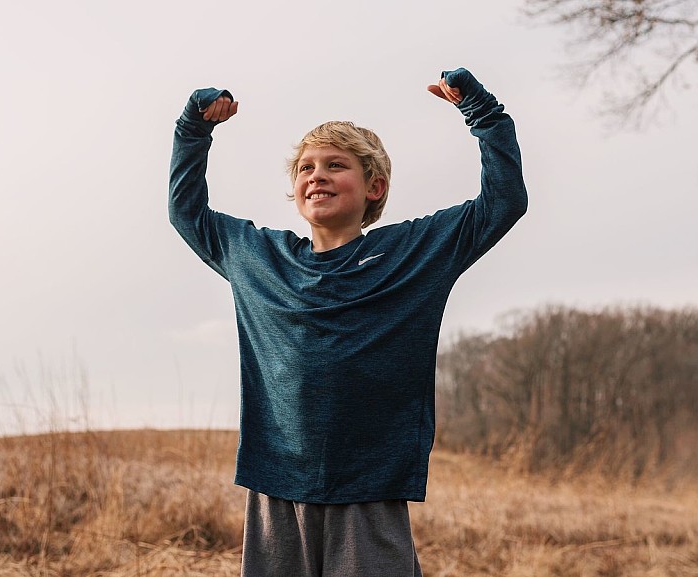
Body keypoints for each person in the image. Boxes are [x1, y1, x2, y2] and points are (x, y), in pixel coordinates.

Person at [168, 67, 527, 577]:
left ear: (374, 186)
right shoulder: (257, 257)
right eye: (306, 167)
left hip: (369, 489)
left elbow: (504, 202)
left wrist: (483, 112)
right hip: (276, 486)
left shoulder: (413, 253)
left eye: (335, 165)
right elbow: (187, 213)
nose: (316, 175)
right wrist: (192, 129)